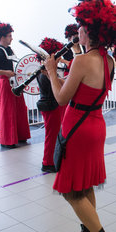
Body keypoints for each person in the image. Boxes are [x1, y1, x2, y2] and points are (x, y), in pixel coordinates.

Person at [44, 0, 116, 232]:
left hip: (77, 129)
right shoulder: (109, 60)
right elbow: (87, 87)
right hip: (95, 126)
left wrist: (51, 72)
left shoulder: (82, 60)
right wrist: (64, 72)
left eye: (79, 25)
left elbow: (61, 99)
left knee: (72, 192)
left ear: (88, 31)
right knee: (85, 183)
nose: (76, 29)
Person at [0, 23, 30, 147]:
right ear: (2, 38)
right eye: (9, 36)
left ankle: (20, 136)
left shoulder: (9, 50)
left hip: (15, 83)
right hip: (6, 83)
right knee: (8, 111)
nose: (11, 38)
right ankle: (8, 140)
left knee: (20, 109)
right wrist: (5, 72)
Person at [36, 37, 66, 173]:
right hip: (50, 105)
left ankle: (52, 160)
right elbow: (58, 86)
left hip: (51, 105)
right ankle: (48, 162)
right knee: (52, 135)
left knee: (54, 134)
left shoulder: (47, 70)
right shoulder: (45, 72)